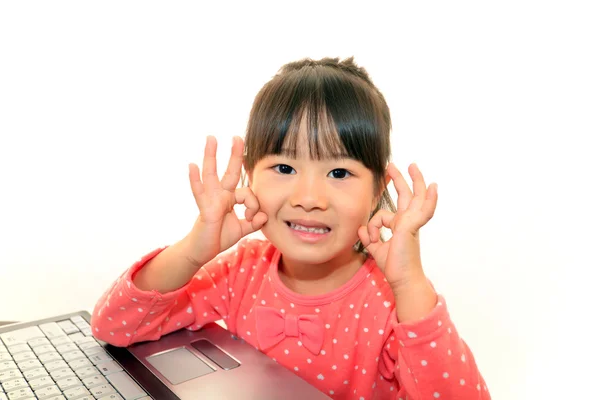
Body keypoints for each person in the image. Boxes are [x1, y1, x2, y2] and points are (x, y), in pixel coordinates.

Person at [91, 57, 490, 399]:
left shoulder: (389, 299)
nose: (309, 197)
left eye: (339, 171)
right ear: (250, 176)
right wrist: (194, 250)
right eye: (284, 168)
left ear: (376, 193)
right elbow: (113, 326)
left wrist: (409, 285)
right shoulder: (243, 269)